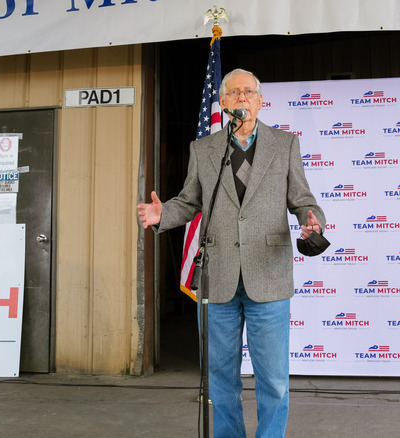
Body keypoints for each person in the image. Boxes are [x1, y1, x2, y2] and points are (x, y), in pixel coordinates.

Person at [137, 68, 326, 438]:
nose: (242, 97)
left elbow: (303, 200)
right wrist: (165, 214)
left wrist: (311, 219)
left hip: (268, 278)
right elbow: (189, 201)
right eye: (234, 92)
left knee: (273, 381)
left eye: (249, 92)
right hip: (217, 278)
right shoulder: (204, 149)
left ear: (260, 100)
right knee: (221, 382)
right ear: (222, 103)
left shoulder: (285, 144)